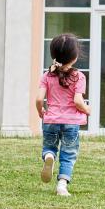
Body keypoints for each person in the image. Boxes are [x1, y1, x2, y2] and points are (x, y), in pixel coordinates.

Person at [35, 33, 90, 197]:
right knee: (68, 154)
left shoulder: (47, 75)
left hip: (51, 120)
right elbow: (78, 101)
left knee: (49, 147)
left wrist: (40, 111)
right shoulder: (79, 76)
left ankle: (49, 156)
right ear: (74, 56)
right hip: (71, 123)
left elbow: (39, 98)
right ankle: (62, 185)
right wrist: (88, 110)